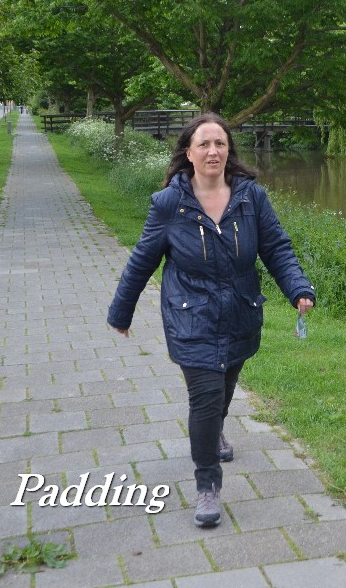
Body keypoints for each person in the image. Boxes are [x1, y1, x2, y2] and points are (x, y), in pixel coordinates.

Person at [107, 112, 315, 528]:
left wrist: (298, 287)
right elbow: (142, 260)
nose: (213, 151)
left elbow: (276, 246)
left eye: (220, 143)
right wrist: (121, 311)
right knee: (204, 395)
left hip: (240, 311)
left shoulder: (251, 198)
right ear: (189, 152)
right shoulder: (169, 204)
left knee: (225, 385)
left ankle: (215, 428)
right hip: (191, 315)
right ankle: (207, 485)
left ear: (229, 150)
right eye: (203, 143)